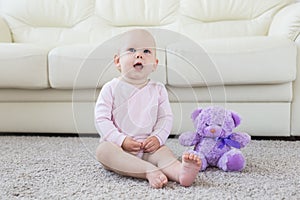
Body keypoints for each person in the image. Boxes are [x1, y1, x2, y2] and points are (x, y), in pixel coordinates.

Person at [95, 29, 201, 189]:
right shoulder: (111, 88)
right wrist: (121, 140)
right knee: (103, 152)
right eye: (131, 50)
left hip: (148, 148)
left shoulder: (158, 89)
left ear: (155, 64)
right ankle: (147, 170)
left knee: (164, 154)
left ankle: (180, 172)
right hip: (119, 148)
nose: (139, 55)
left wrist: (157, 138)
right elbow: (101, 119)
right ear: (117, 61)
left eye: (146, 51)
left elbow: (165, 118)